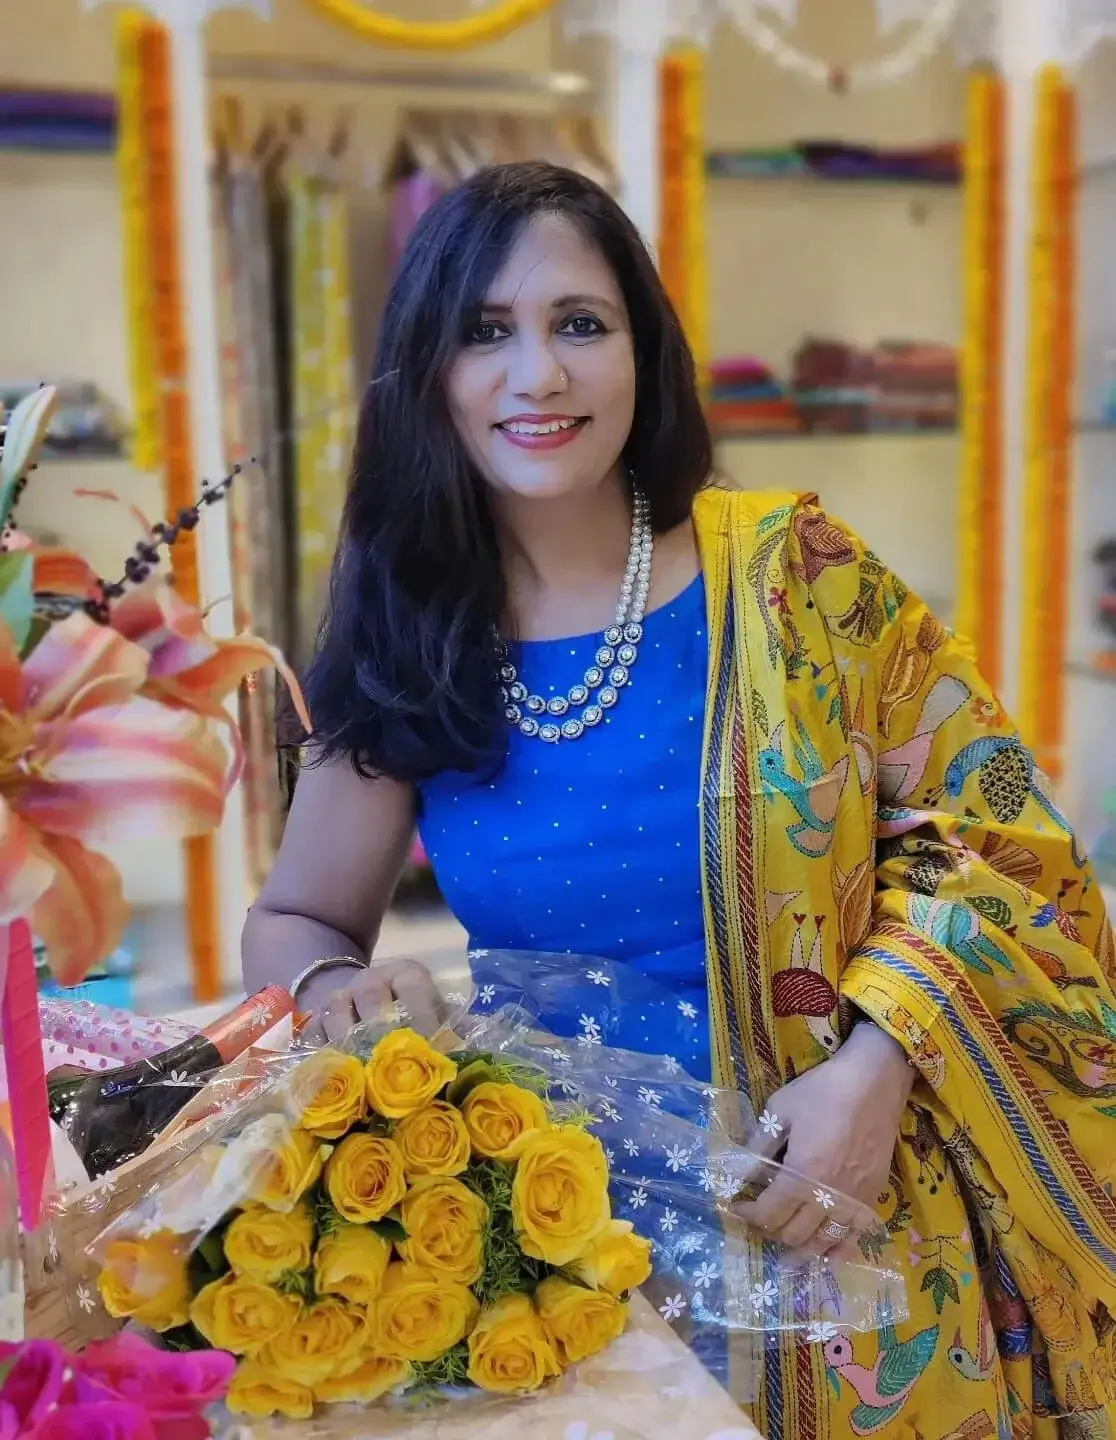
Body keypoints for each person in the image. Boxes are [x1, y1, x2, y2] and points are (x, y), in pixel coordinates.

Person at [242, 162, 1116, 1439]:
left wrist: (877, 1066)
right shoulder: (411, 631)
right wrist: (338, 989)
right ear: (427, 372)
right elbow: (298, 920)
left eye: (579, 324)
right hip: (568, 1259)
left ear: (644, 352)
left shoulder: (796, 573)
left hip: (854, 1218)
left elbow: (1003, 841)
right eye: (486, 332)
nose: (538, 374)